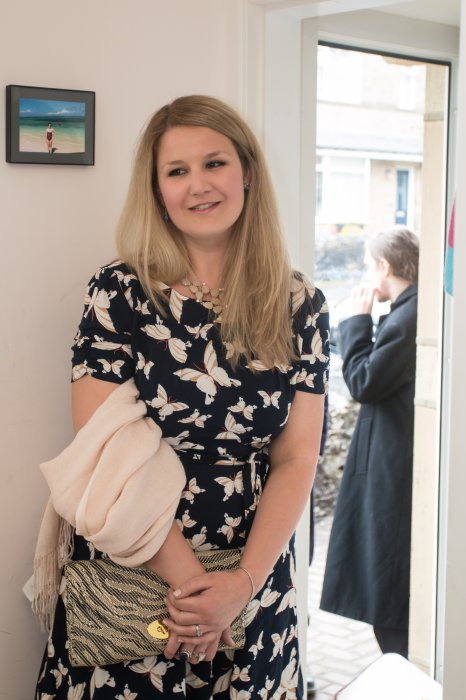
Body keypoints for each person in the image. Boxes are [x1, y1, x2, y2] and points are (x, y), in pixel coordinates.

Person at [35, 94, 329, 699]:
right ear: (158, 190)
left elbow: (298, 457)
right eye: (177, 171)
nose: (198, 184)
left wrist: (240, 587)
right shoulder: (120, 292)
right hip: (136, 565)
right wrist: (196, 592)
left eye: (214, 163)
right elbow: (103, 451)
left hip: (253, 581)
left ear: (247, 172)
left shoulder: (301, 305)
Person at [320, 227, 419, 658]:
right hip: (390, 460)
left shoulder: (409, 317)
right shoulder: (408, 311)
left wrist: (357, 321)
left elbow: (363, 380)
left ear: (384, 265)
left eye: (367, 265)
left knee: (388, 586)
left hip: (392, 468)